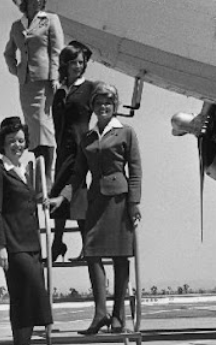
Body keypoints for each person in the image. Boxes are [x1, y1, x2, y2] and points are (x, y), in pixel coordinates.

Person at [50, 83, 142, 335]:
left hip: (119, 201)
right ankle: (100, 313)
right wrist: (62, 198)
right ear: (92, 107)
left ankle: (118, 315)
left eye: (108, 103)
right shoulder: (88, 138)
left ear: (114, 106)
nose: (103, 107)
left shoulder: (126, 133)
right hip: (95, 200)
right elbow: (78, 173)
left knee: (120, 257)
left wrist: (134, 203)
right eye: (99, 103)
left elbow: (135, 171)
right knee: (91, 253)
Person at [0, 117, 52, 345]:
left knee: (27, 301)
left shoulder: (23, 171)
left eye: (21, 141)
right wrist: (0, 246)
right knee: (27, 296)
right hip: (14, 246)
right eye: (12, 141)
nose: (18, 145)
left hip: (32, 245)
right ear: (2, 143)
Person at [3, 0, 63, 186]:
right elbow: (8, 53)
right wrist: (17, 69)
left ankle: (47, 175)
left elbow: (56, 51)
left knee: (43, 125)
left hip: (45, 81)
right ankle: (39, 170)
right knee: (32, 127)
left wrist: (55, 77)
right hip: (26, 83)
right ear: (25, 0)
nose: (37, 0)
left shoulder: (50, 20)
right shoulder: (16, 26)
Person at [50, 41, 95, 262]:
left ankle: (85, 245)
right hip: (62, 149)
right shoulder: (59, 90)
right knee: (58, 190)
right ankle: (57, 243)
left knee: (77, 193)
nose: (78, 66)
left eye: (81, 62)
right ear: (65, 64)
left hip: (79, 148)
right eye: (74, 62)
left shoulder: (89, 88)